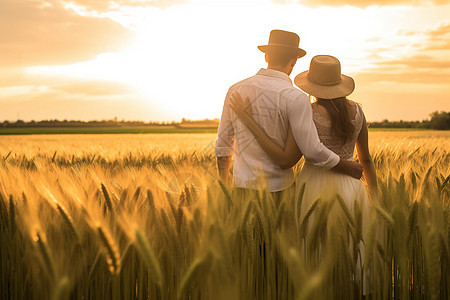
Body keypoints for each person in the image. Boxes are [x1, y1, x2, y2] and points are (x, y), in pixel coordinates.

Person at [230, 55, 377, 295]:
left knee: (317, 254)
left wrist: (248, 120)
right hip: (352, 188)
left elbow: (286, 159)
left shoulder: (307, 111)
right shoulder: (358, 111)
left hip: (315, 188)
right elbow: (366, 160)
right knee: (353, 251)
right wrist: (376, 198)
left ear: (313, 84)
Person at [215, 30, 363, 199]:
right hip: (280, 192)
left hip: (241, 189)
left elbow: (223, 143)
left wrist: (223, 189)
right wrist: (347, 166)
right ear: (294, 61)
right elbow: (312, 150)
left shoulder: (236, 90)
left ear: (267, 57)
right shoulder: (296, 97)